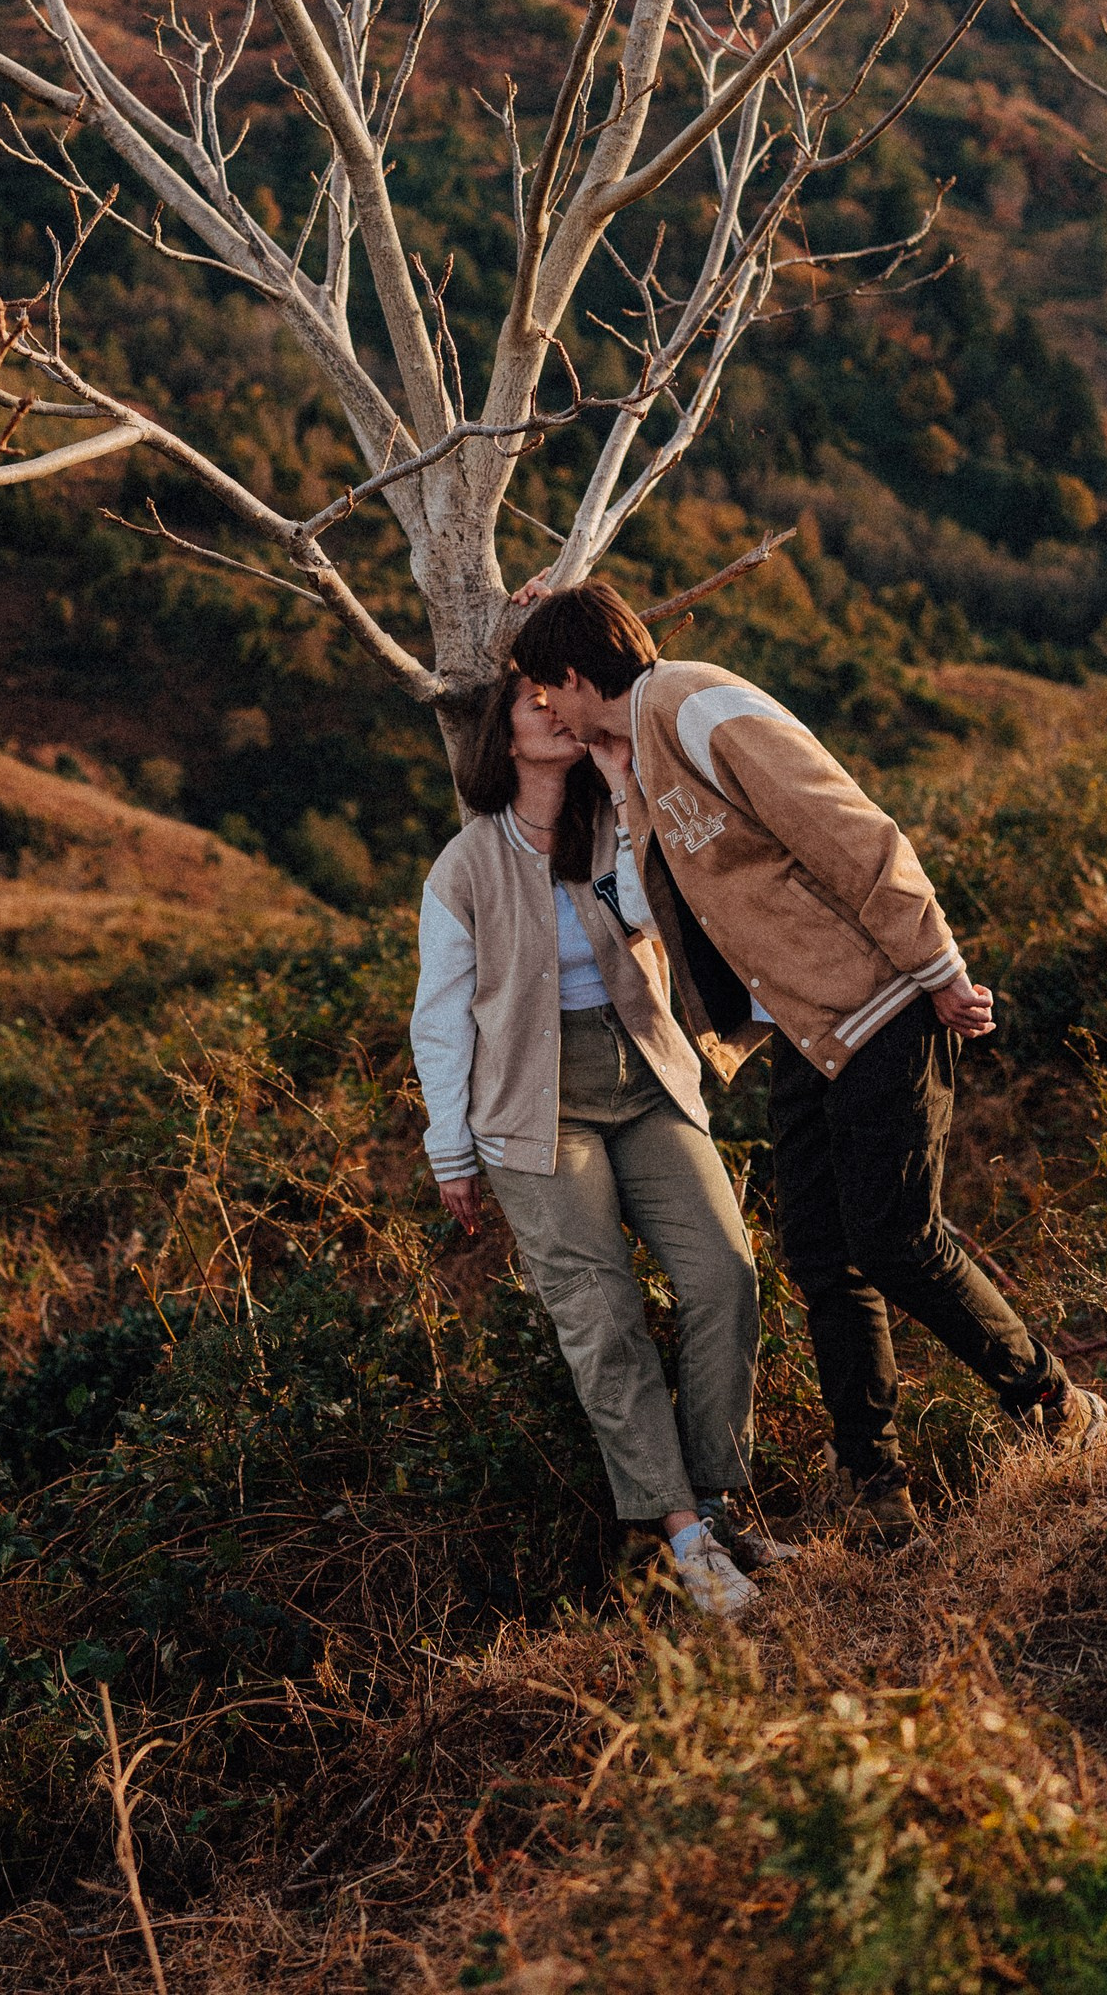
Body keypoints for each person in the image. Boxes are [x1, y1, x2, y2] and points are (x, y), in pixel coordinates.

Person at [508, 578, 1107, 1546]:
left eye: (546, 690)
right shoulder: (641, 744)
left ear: (576, 675)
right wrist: (609, 764)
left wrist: (936, 965)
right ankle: (876, 1488)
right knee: (822, 1261)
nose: (545, 711)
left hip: (877, 1005)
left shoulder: (696, 702)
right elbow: (639, 894)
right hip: (802, 1029)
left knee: (894, 1240)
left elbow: (848, 827)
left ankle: (1055, 1407)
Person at [411, 664, 776, 1616]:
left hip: (649, 1077)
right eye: (536, 703)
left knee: (722, 1276)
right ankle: (683, 1537)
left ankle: (717, 1497)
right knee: (602, 1317)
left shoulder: (619, 824)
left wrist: (620, 777)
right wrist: (450, 1150)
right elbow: (441, 1018)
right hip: (535, 1108)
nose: (556, 710)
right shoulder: (465, 865)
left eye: (562, 696)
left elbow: (668, 912)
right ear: (505, 734)